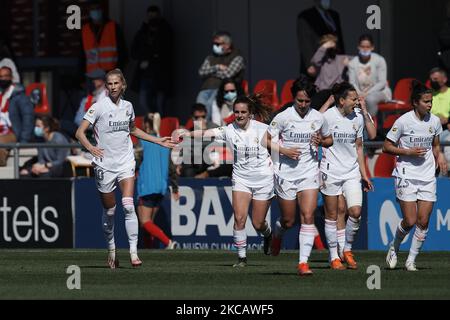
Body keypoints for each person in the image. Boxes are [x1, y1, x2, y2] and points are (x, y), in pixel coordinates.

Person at [75, 69, 176, 269]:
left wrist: (157, 140)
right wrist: (91, 148)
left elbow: (132, 130)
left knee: (129, 205)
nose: (112, 87)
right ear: (106, 86)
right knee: (110, 211)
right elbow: (80, 132)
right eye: (109, 84)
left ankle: (133, 253)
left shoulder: (128, 106)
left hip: (125, 161)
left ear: (123, 85)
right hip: (105, 164)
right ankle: (112, 250)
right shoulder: (98, 107)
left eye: (116, 83)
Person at [177, 94, 274, 267]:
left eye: (243, 112)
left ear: (250, 113)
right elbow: (206, 133)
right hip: (241, 178)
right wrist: (187, 134)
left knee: (258, 223)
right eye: (237, 112)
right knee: (239, 218)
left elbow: (277, 149)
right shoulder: (229, 130)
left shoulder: (263, 129)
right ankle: (242, 258)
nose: (240, 115)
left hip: (263, 178)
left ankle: (267, 235)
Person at [263, 78, 333, 276]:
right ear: (294, 98)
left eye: (307, 101)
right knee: (288, 220)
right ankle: (277, 233)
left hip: (309, 172)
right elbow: (265, 140)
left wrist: (321, 141)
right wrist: (284, 150)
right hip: (285, 173)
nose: (303, 105)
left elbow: (329, 139)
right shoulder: (284, 117)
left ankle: (303, 263)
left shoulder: (319, 118)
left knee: (308, 216)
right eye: (300, 100)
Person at [384, 81, 447, 271]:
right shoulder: (403, 121)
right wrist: (408, 152)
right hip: (406, 174)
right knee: (410, 221)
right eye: (426, 101)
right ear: (415, 103)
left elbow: (435, 144)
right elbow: (386, 146)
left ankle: (411, 260)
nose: (429, 105)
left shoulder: (434, 121)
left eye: (431, 101)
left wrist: (440, 155)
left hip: (427, 175)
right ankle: (394, 246)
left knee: (424, 221)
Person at [319, 82, 373, 270]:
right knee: (332, 215)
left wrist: (364, 174)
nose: (356, 102)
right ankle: (334, 255)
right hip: (330, 171)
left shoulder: (358, 117)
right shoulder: (328, 116)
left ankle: (347, 250)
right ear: (341, 101)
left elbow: (359, 146)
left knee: (355, 212)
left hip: (351, 172)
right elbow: (314, 124)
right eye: (353, 99)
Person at [137, 113, 179, 249]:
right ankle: (149, 249)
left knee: (144, 221)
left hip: (147, 187)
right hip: (161, 188)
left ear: (146, 125)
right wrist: (175, 188)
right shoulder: (164, 143)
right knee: (149, 223)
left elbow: (135, 162)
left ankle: (168, 242)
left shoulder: (142, 142)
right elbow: (172, 168)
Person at [131, 5, 173, 116]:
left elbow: (165, 51)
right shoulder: (143, 32)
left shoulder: (165, 31)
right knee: (144, 103)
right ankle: (152, 126)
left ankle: (161, 129)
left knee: (161, 105)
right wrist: (147, 57)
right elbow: (134, 52)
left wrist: (151, 57)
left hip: (161, 75)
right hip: (146, 75)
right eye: (150, 17)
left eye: (155, 16)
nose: (152, 19)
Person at [197, 31, 245, 120]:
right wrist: (217, 67)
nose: (214, 45)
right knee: (198, 111)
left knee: (210, 107)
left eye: (217, 43)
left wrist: (210, 72)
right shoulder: (210, 58)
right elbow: (201, 72)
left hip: (221, 90)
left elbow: (228, 74)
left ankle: (209, 131)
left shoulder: (237, 57)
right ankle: (198, 132)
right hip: (205, 89)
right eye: (214, 43)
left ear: (227, 45)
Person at [297, 0, 345, 77]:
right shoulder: (305, 16)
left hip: (333, 65)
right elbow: (304, 42)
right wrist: (309, 64)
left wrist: (342, 60)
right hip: (316, 66)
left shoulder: (334, 15)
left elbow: (340, 40)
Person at [348, 34, 392, 117]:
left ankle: (370, 124)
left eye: (367, 47)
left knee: (370, 99)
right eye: (362, 46)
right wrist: (359, 94)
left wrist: (367, 93)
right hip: (359, 93)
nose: (365, 49)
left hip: (380, 92)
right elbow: (352, 82)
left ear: (372, 47)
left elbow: (382, 82)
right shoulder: (352, 63)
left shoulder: (379, 60)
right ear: (358, 47)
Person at [81, 0, 128, 74]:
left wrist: (118, 71)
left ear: (102, 10)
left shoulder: (113, 27)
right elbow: (82, 55)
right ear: (89, 11)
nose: (95, 11)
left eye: (97, 9)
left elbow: (123, 52)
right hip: (92, 74)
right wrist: (81, 77)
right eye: (93, 9)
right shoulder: (85, 30)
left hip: (111, 73)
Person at [0, 66, 34, 166]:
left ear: (11, 77)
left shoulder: (20, 96)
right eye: (0, 76)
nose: (3, 79)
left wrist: (24, 141)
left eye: (6, 76)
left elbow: (28, 117)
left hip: (12, 132)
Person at [310, 34, 350, 108]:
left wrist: (350, 64)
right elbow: (315, 61)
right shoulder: (321, 61)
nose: (330, 49)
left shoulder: (342, 58)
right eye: (327, 47)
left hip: (338, 92)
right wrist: (324, 46)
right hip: (323, 92)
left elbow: (359, 62)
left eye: (332, 46)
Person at [429, 67, 450, 170]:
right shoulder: (428, 95)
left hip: (446, 129)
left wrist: (447, 120)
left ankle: (445, 173)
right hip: (430, 129)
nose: (433, 82)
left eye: (435, 79)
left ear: (444, 79)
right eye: (431, 79)